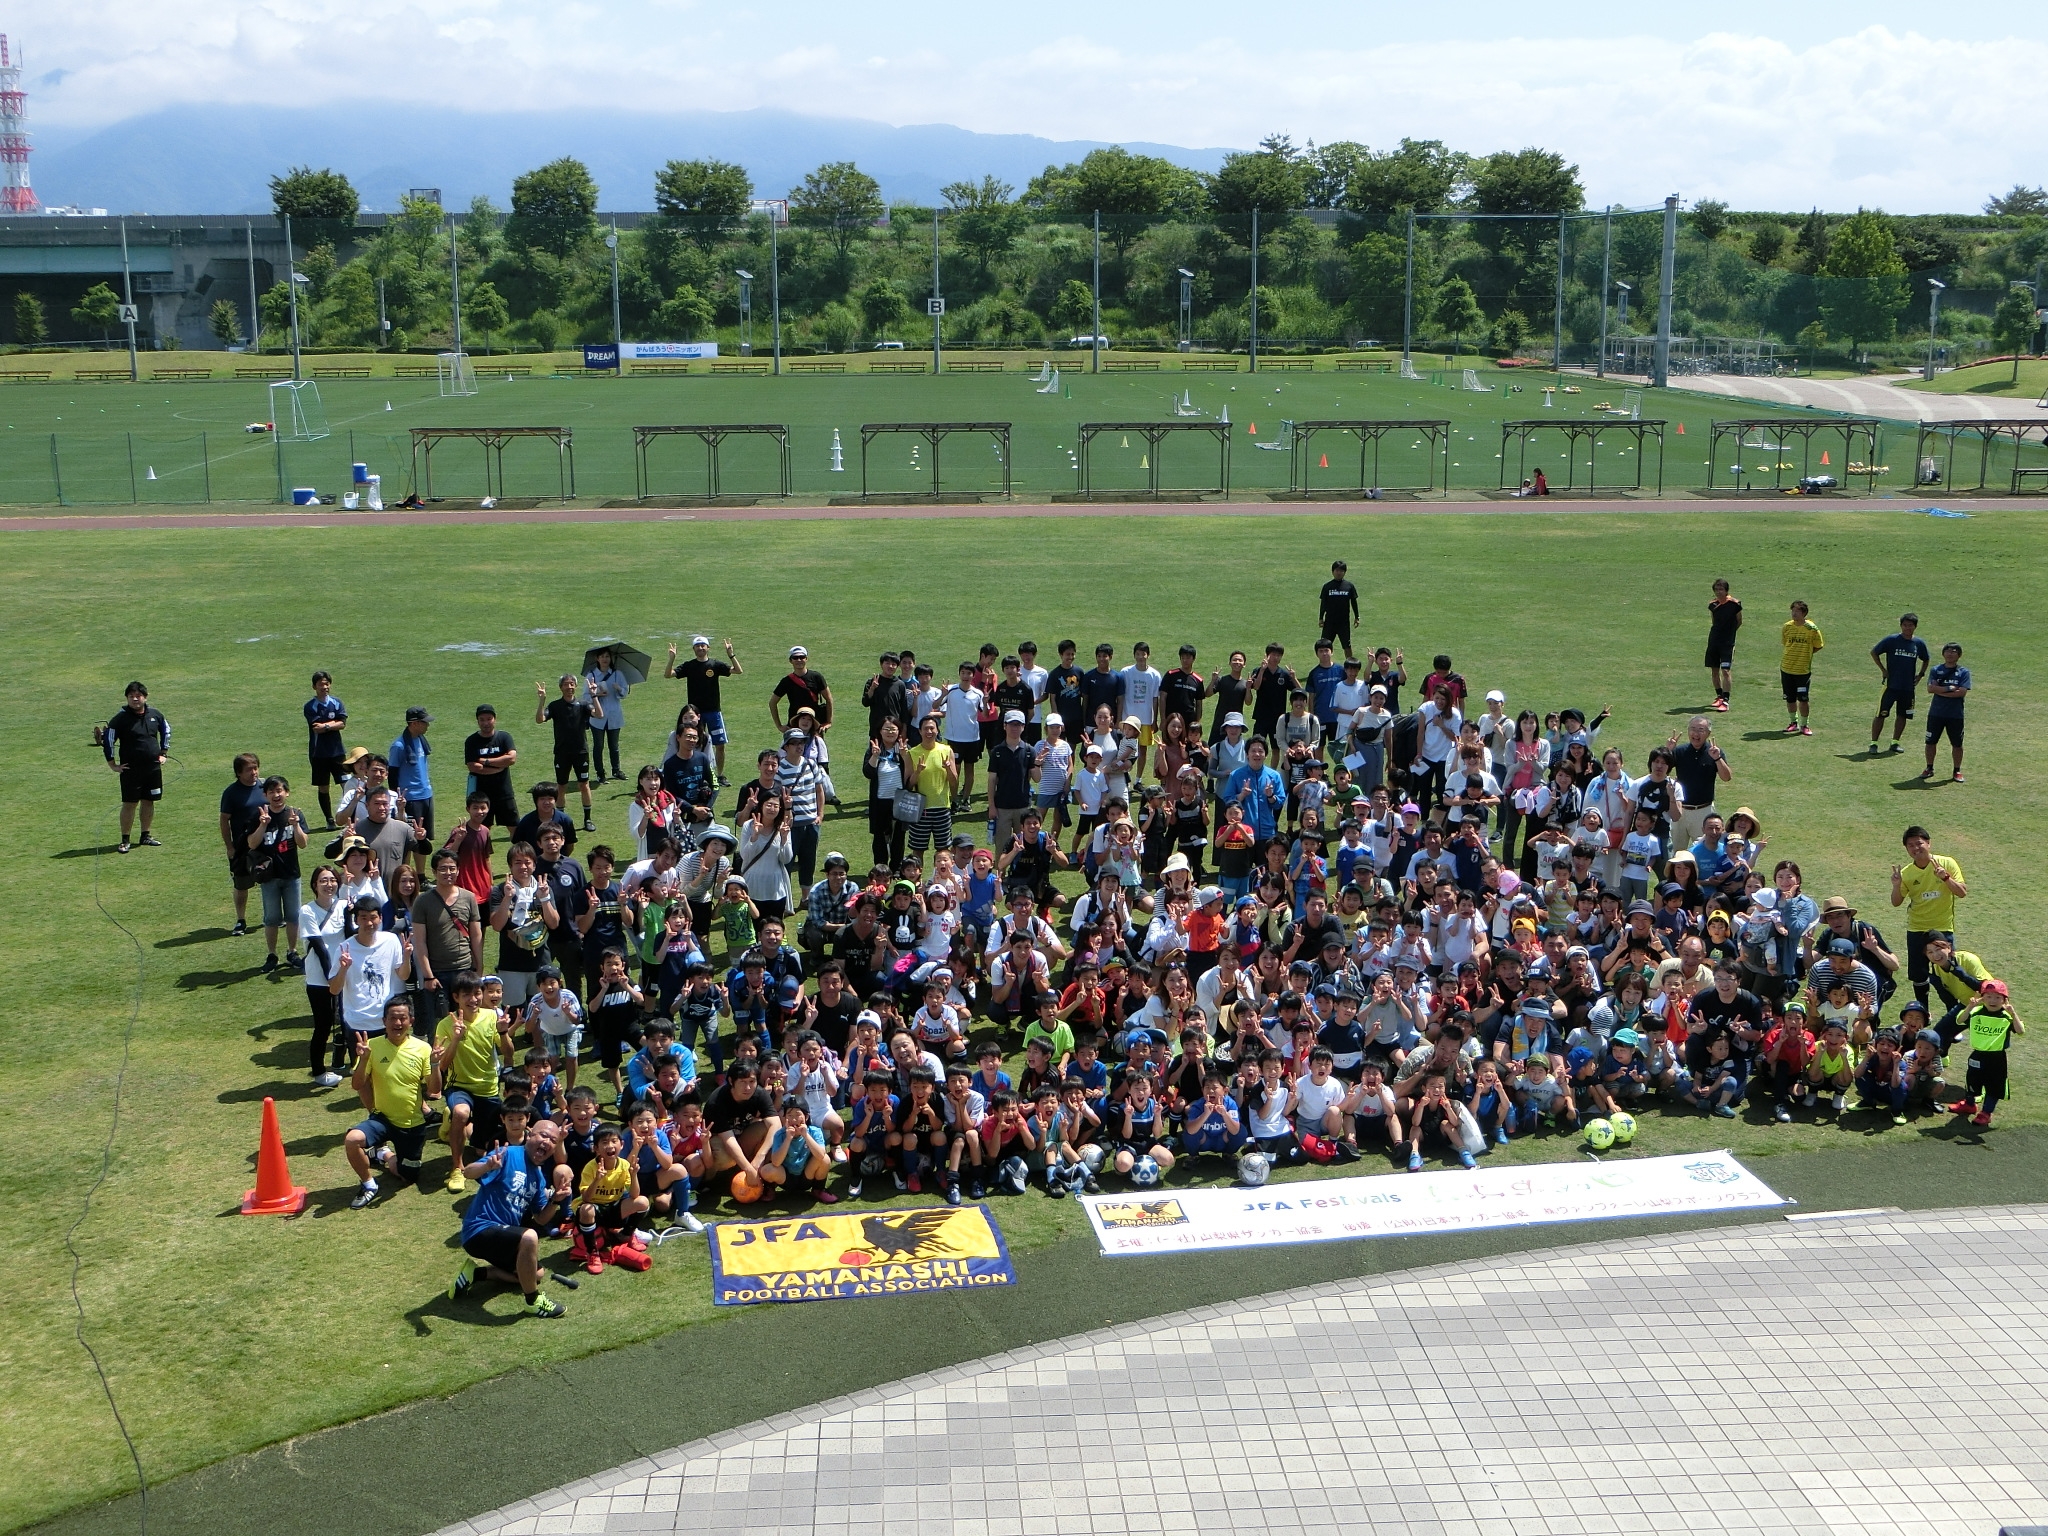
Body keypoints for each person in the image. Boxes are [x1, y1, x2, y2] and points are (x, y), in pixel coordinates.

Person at [448, 1115, 568, 1318]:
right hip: (479, 1229)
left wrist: (555, 1201)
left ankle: (476, 1274)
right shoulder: (508, 1154)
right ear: (530, 1135)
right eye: (544, 1136)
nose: (547, 1142)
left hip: (504, 1238)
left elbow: (541, 1218)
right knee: (529, 1236)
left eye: (553, 1141)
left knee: (535, 1274)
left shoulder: (538, 1177)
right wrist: (487, 1166)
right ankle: (533, 1301)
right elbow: (468, 1172)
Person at [342, 997, 439, 1208]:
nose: (398, 1023)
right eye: (393, 1018)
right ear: (384, 1020)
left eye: (402, 1018)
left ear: (411, 1020)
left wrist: (435, 1064)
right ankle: (369, 1184)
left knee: (408, 1176)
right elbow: (357, 1084)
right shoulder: (372, 1047)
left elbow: (434, 1090)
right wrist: (364, 1060)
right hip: (382, 1119)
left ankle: (384, 1154)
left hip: (412, 1124)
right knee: (352, 1140)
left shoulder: (423, 1049)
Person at [1891, 825, 1966, 1008]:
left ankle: (1953, 1016)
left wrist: (1946, 878)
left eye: (1919, 843)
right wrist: (1896, 885)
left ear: (1929, 843)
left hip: (1943, 928)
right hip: (1917, 928)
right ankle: (1922, 1013)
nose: (1916, 848)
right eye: (1911, 845)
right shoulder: (1907, 873)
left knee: (1948, 972)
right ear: (1907, 849)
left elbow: (1962, 892)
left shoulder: (1947, 863)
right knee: (1918, 975)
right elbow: (1896, 902)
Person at [247, 774, 309, 972]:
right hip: (269, 876)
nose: (276, 795)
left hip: (291, 874)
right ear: (265, 794)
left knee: (293, 916)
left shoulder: (295, 814)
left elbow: (303, 843)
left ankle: (292, 951)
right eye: (271, 791)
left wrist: (296, 825)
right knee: (271, 918)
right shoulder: (258, 816)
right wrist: (263, 825)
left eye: (279, 790)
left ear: (287, 793)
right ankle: (272, 954)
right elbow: (252, 843)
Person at [102, 680, 171, 855]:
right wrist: (112, 764)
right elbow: (108, 740)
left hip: (152, 769)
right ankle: (125, 840)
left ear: (145, 697)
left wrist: (164, 753)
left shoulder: (155, 715)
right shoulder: (120, 719)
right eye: (131, 696)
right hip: (131, 770)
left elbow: (166, 731)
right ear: (127, 698)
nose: (135, 699)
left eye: (138, 696)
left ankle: (145, 835)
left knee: (149, 801)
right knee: (130, 804)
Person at [667, 635, 743, 786]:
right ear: (694, 649)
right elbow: (668, 674)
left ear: (708, 648)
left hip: (714, 712)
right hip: (694, 715)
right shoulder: (689, 666)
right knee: (696, 744)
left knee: (719, 745)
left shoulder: (715, 664)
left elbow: (738, 671)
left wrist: (731, 654)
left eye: (703, 645)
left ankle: (719, 775)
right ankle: (698, 774)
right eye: (697, 646)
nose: (700, 648)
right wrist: (671, 659)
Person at [1946, 980, 2022, 1128]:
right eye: (1988, 997)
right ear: (1982, 998)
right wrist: (1970, 1006)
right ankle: (1969, 1104)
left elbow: (2020, 1031)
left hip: (1997, 1058)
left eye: (1997, 997)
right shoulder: (1975, 1013)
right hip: (1977, 1055)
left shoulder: (2006, 1017)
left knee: (1994, 1087)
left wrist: (2013, 1014)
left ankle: (1986, 1113)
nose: (1992, 1001)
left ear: (2005, 1000)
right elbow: (1960, 1020)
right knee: (1972, 1081)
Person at [536, 676, 596, 830]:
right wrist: (542, 700)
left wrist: (593, 695)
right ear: (560, 687)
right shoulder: (555, 706)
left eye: (571, 684)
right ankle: (558, 820)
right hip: (562, 753)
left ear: (575, 686)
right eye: (565, 684)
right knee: (561, 786)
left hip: (580, 752)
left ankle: (587, 820)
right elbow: (540, 719)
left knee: (584, 785)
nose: (569, 687)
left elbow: (599, 714)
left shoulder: (583, 704)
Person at [1869, 612, 1929, 755]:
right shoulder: (1892, 640)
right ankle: (1874, 743)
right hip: (1890, 685)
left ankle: (1895, 742)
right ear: (1901, 626)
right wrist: (1883, 670)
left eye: (1910, 626)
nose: (1907, 628)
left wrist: (1920, 675)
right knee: (1881, 714)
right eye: (1905, 625)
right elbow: (1874, 652)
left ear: (1915, 627)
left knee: (1902, 715)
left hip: (1908, 687)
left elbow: (1926, 659)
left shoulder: (1918, 644)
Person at [303, 670, 348, 829]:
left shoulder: (336, 703)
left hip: (337, 751)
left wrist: (327, 725)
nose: (324, 687)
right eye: (321, 684)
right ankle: (329, 819)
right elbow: (316, 728)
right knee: (323, 786)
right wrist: (332, 725)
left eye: (327, 683)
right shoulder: (310, 706)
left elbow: (342, 723)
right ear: (314, 686)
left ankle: (347, 816)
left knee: (345, 783)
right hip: (318, 753)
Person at [464, 704, 519, 830]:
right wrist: (499, 766)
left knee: (514, 827)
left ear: (495, 719)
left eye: (489, 719)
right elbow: (473, 767)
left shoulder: (504, 737)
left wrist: (486, 761)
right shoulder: (472, 741)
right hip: (481, 794)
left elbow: (511, 758)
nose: (486, 723)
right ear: (477, 721)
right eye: (482, 720)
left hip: (504, 792)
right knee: (481, 829)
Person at [1922, 642, 1970, 783]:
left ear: (1959, 655)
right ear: (1943, 654)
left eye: (1954, 651)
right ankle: (1929, 767)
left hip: (1955, 715)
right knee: (1930, 742)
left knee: (1957, 744)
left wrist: (1941, 690)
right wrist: (1950, 688)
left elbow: (1961, 692)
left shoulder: (1964, 672)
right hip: (1936, 713)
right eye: (1948, 651)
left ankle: (1957, 770)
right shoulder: (1936, 670)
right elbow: (1930, 689)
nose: (1950, 654)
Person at [387, 707, 436, 846]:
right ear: (414, 723)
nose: (428, 725)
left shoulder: (421, 740)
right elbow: (393, 774)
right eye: (424, 722)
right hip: (411, 799)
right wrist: (397, 798)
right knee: (410, 840)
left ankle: (420, 868)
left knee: (424, 838)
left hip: (426, 794)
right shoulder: (399, 746)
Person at [583, 647, 631, 785]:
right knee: (598, 746)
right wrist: (597, 694)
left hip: (614, 715)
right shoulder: (591, 676)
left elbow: (624, 693)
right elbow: (585, 697)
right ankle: (600, 774)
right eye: (602, 657)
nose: (605, 659)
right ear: (597, 659)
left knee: (614, 746)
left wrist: (619, 689)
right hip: (597, 717)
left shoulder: (617, 674)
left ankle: (616, 770)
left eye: (607, 657)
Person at [1779, 599, 1823, 736]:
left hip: (1802, 671)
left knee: (1803, 699)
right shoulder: (1787, 627)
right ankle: (1793, 722)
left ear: (1804, 613)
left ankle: (1804, 725)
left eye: (1797, 611)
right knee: (1790, 698)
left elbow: (1818, 646)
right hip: (1786, 668)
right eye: (1792, 611)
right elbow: (1786, 643)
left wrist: (1806, 654)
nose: (1794, 613)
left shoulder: (1812, 629)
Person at [1703, 578, 1742, 711]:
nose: (1719, 592)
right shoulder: (1713, 605)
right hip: (1714, 641)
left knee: (1725, 670)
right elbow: (1714, 622)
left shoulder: (1735, 604)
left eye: (1721, 589)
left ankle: (1726, 700)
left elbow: (1739, 621)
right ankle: (1719, 696)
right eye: (1716, 590)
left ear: (1726, 591)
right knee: (1714, 670)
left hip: (1727, 643)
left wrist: (1729, 634)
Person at [1317, 559, 1361, 660]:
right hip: (1330, 622)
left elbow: (1354, 602)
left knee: (1347, 646)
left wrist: (1357, 616)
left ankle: (1350, 665)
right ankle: (1324, 665)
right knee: (1324, 646)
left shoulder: (1349, 586)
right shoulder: (1327, 587)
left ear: (1344, 572)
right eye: (1337, 570)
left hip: (1343, 623)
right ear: (1333, 571)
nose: (1339, 573)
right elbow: (1323, 603)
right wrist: (1320, 618)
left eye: (1341, 571)